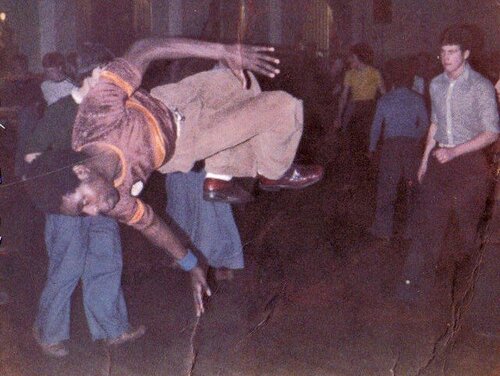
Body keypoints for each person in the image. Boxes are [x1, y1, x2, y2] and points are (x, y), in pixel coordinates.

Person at [24, 37, 324, 319]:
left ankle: (219, 175)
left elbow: (144, 48)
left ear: (82, 170)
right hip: (185, 141)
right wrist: (191, 265)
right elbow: (152, 225)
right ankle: (273, 171)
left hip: (170, 100)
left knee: (241, 79)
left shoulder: (96, 116)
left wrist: (223, 51)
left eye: (84, 203)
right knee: (284, 108)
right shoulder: (114, 201)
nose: (95, 213)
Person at [24, 48, 145, 358]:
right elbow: (32, 157)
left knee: (107, 260)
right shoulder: (61, 110)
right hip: (69, 207)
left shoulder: (107, 111)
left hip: (101, 201)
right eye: (108, 77)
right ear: (89, 76)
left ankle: (112, 328)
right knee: (68, 266)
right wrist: (66, 184)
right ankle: (48, 330)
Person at [396, 25, 499, 302]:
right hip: (440, 160)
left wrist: (456, 152)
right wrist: (424, 162)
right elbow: (435, 123)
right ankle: (411, 288)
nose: (446, 57)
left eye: (452, 51)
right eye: (443, 51)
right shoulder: (436, 84)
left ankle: (472, 295)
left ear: (465, 53)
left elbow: (492, 132)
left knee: (468, 232)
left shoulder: (480, 86)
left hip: (470, 164)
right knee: (427, 225)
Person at [368, 60, 429, 241]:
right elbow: (425, 125)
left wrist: (371, 148)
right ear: (410, 82)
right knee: (414, 186)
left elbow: (376, 128)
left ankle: (382, 229)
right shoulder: (417, 99)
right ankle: (414, 230)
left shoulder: (385, 100)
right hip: (410, 146)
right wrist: (415, 138)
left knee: (387, 187)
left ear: (392, 82)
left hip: (391, 147)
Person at [335, 43, 386, 154]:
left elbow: (384, 94)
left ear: (359, 57)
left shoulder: (374, 73)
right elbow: (343, 97)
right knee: (349, 136)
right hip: (354, 107)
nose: (348, 60)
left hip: (369, 107)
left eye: (351, 57)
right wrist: (339, 116)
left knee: (367, 137)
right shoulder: (349, 73)